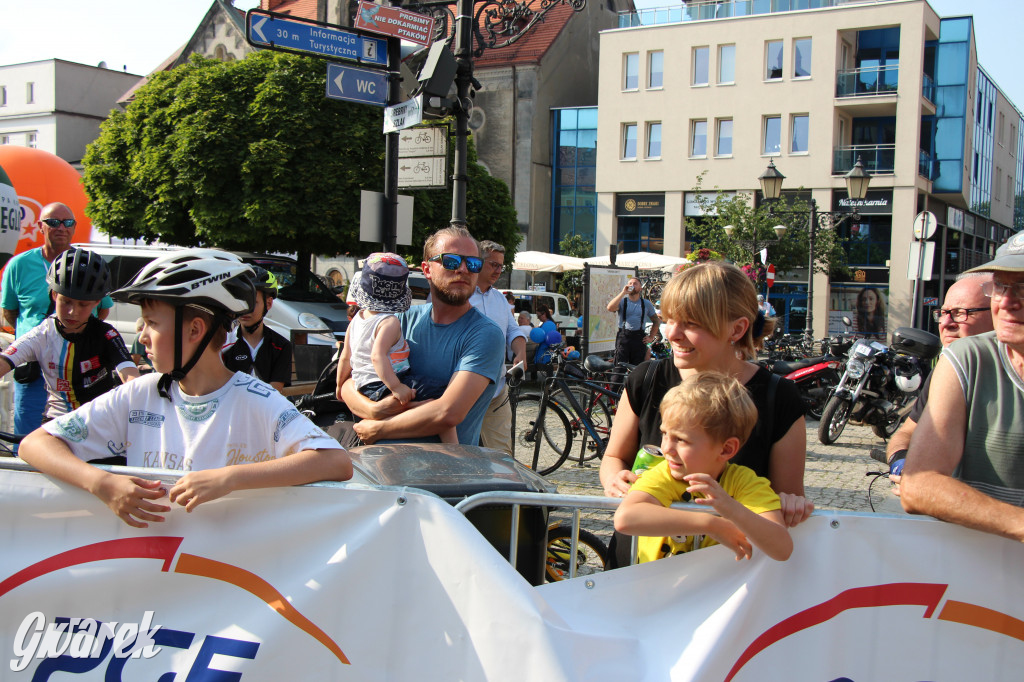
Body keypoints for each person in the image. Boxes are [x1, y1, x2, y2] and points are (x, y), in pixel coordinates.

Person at [18, 250, 352, 528]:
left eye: (151, 323)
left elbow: (335, 462)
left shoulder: (254, 398)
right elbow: (35, 444)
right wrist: (102, 484)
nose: (143, 337)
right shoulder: (140, 394)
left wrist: (229, 478)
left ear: (195, 330)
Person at [600, 261, 811, 567]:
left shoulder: (778, 397)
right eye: (668, 319)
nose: (672, 333)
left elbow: (785, 497)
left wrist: (791, 503)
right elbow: (614, 457)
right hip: (636, 570)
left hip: (726, 581)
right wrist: (613, 480)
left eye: (692, 323)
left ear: (736, 329)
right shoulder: (646, 378)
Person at [901, 231, 1024, 538]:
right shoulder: (968, 358)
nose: (1008, 302)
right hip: (977, 567)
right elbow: (918, 484)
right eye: (1001, 286)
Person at [340, 227, 505, 445]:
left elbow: (448, 413)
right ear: (426, 269)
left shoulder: (485, 334)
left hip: (441, 473)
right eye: (452, 261)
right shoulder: (398, 320)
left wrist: (379, 428)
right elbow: (347, 383)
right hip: (381, 467)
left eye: (473, 263)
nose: (464, 269)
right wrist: (375, 409)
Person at [614, 372, 793, 563]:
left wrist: (731, 508)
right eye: (665, 434)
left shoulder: (743, 482)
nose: (666, 448)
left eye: (681, 440)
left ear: (726, 449)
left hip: (717, 591)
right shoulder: (665, 474)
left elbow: (782, 549)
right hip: (659, 589)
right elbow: (626, 518)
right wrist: (711, 524)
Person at [1, 202, 114, 434]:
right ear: (40, 227)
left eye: (67, 222)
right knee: (27, 429)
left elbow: (102, 309)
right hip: (32, 361)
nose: (61, 227)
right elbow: (9, 311)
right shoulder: (19, 265)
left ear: (74, 228)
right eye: (53, 222)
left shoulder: (88, 263)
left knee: (80, 429)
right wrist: (40, 337)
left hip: (78, 362)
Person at [0, 248, 139, 422]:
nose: (73, 312)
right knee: (28, 446)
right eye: (66, 302)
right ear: (54, 295)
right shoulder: (42, 335)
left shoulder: (106, 334)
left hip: (101, 423)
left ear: (97, 302)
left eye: (83, 305)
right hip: (58, 423)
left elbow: (130, 374)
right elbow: (5, 360)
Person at [885, 274, 993, 487]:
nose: (945, 323)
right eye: (943, 313)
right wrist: (901, 462)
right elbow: (907, 432)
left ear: (998, 312)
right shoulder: (946, 370)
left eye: (960, 313)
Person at [337, 252, 457, 443]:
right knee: (444, 399)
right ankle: (454, 449)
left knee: (424, 400)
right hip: (386, 383)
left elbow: (345, 357)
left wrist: (339, 385)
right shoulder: (389, 322)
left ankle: (408, 409)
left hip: (364, 386)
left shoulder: (357, 320)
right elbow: (378, 356)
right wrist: (396, 387)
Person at [470, 241, 527, 454]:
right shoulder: (461, 296)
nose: (498, 271)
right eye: (493, 264)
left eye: (501, 266)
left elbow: (513, 330)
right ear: (478, 262)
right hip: (464, 393)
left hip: (496, 391)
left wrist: (520, 352)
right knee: (460, 453)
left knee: (503, 455)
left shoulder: (500, 300)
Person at [221, 266, 293, 391]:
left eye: (252, 303)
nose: (245, 309)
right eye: (241, 302)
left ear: (269, 303)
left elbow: (274, 392)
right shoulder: (224, 344)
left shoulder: (281, 346)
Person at [606, 276, 661, 365]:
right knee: (619, 368)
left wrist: (651, 337)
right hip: (624, 337)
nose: (632, 285)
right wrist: (623, 292)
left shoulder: (646, 303)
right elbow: (610, 308)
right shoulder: (623, 302)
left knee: (637, 368)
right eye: (630, 283)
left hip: (639, 338)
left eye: (635, 283)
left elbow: (656, 321)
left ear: (640, 288)